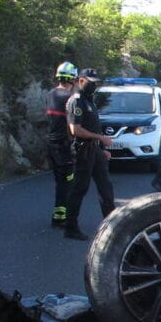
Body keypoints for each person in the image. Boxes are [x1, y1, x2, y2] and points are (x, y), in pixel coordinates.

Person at [63, 68, 115, 240]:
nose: (94, 85)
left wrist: (101, 149)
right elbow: (75, 129)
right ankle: (70, 227)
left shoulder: (89, 101)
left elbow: (93, 127)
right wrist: (99, 137)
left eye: (96, 82)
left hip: (94, 150)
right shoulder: (76, 101)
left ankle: (113, 227)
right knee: (79, 188)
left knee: (106, 189)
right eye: (91, 81)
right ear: (81, 80)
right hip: (82, 150)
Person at [45, 61, 78, 227]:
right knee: (68, 181)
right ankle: (61, 217)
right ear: (72, 79)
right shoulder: (70, 99)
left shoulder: (50, 94)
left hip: (51, 143)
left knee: (60, 180)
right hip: (64, 145)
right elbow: (71, 124)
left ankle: (59, 214)